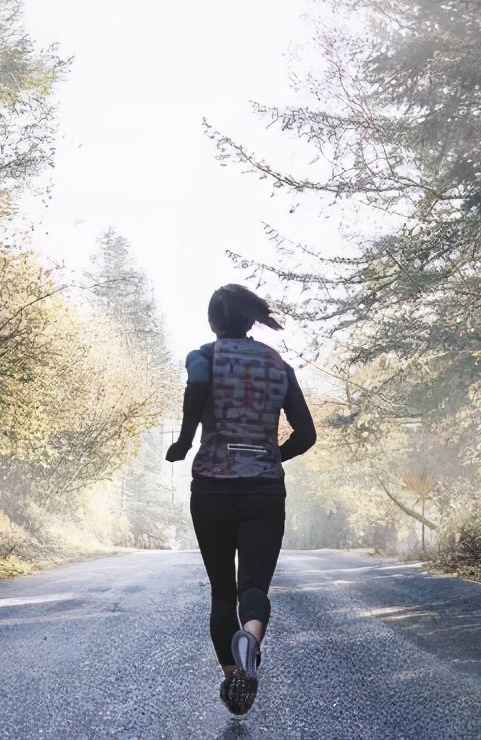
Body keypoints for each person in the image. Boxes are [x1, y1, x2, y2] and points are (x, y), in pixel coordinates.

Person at [165, 284, 316, 716]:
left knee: (221, 593)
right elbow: (306, 435)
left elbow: (197, 383)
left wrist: (184, 441)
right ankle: (251, 633)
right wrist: (273, 455)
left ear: (213, 321)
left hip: (211, 489)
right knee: (254, 588)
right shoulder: (276, 363)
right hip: (263, 490)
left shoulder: (202, 356)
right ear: (250, 320)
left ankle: (234, 677)